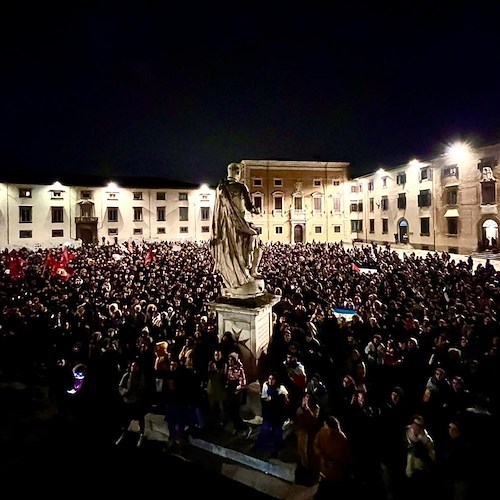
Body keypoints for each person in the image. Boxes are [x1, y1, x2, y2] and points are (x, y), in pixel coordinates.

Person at [210, 162, 263, 294]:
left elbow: (217, 210)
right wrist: (257, 211)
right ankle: (253, 270)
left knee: (231, 250)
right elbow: (250, 207)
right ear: (238, 173)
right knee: (257, 241)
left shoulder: (220, 188)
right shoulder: (240, 186)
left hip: (224, 227)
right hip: (238, 223)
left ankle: (235, 273)